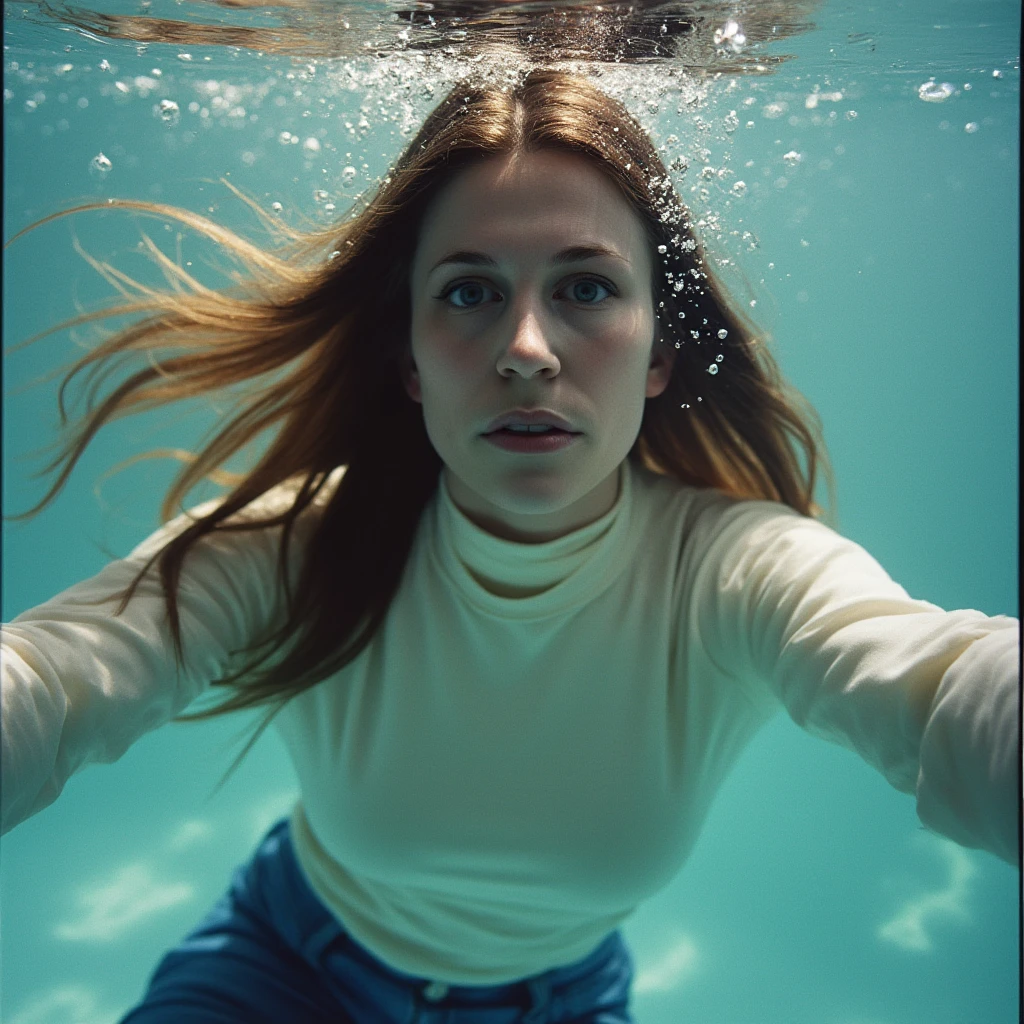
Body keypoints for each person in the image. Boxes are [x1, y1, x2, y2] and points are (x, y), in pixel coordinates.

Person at [1, 67, 1018, 1024]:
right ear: (407, 360)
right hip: (279, 957)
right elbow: (52, 680)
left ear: (661, 352)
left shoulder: (737, 571)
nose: (526, 353)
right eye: (467, 291)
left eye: (584, 288)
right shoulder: (303, 544)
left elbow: (939, 681)